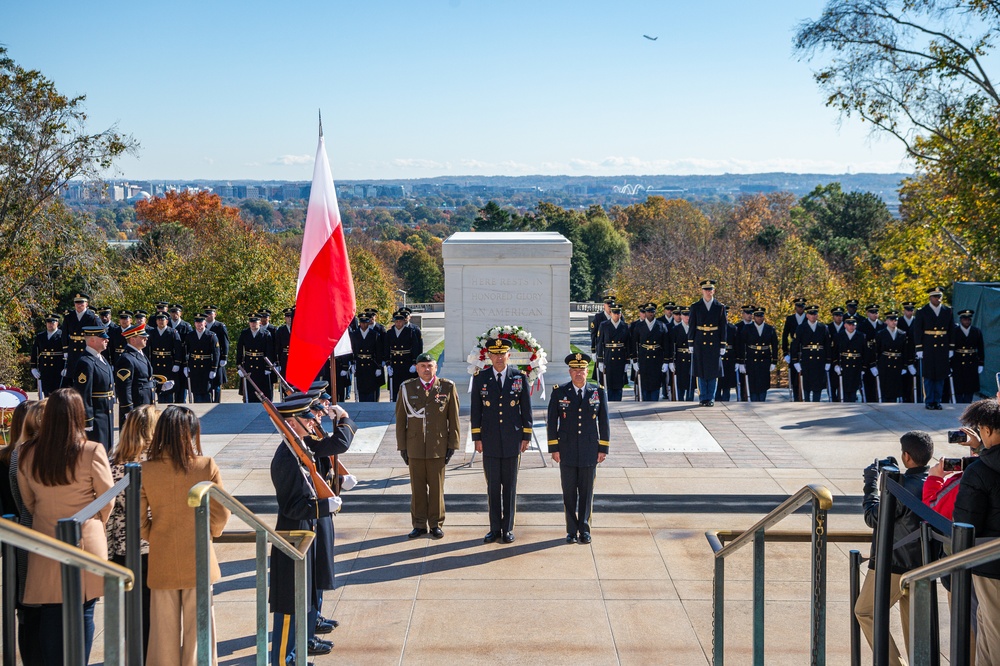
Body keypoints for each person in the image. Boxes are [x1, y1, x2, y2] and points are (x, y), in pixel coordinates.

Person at [17, 388, 114, 664]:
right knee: (83, 611)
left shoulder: (28, 453)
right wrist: (95, 526)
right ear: (78, 415)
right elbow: (107, 499)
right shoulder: (92, 450)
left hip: (46, 537)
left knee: (50, 611)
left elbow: (30, 501)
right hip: (86, 539)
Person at [141, 405, 229, 666]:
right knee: (200, 631)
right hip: (199, 557)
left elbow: (138, 520)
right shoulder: (205, 465)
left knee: (162, 634)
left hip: (162, 556)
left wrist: (154, 535)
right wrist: (210, 533)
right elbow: (222, 511)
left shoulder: (146, 469)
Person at [269, 396, 355, 664]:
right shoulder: (286, 457)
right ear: (291, 423)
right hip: (293, 536)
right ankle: (284, 658)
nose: (313, 421)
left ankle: (297, 651)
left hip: (307, 532)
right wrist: (323, 507)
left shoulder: (300, 447)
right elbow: (292, 507)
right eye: (306, 419)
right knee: (290, 603)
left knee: (304, 597)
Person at [855, 430, 933, 666]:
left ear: (906, 457)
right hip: (923, 563)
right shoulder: (932, 481)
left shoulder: (901, 487)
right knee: (914, 626)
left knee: (865, 611)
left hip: (893, 564)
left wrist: (870, 485)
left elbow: (873, 518)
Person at [107, 404, 159, 658]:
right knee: (152, 617)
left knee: (132, 615)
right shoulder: (156, 465)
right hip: (150, 549)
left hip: (120, 550)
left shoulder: (110, 462)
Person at [471, 338, 532, 544]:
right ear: (489, 356)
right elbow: (476, 411)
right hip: (489, 440)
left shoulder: (519, 377)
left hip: (512, 439)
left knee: (510, 486)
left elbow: (526, 410)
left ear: (509, 355)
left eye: (502, 353)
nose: (498, 357)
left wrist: (526, 436)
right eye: (494, 354)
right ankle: (494, 528)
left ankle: (508, 528)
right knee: (492, 487)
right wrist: (477, 438)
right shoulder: (481, 378)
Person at [953, 399, 1000, 665]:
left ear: (989, 430)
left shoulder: (979, 471)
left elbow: (965, 524)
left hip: (990, 563)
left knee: (992, 632)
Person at [547, 353, 609, 544]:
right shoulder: (559, 392)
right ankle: (571, 530)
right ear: (570, 372)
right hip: (566, 450)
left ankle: (585, 528)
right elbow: (551, 422)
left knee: (586, 492)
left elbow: (604, 421)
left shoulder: (597, 392)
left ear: (587, 371)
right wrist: (554, 448)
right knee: (569, 493)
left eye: (581, 370)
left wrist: (603, 448)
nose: (578, 374)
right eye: (575, 370)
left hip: (590, 449)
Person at [395, 353, 460, 539]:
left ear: (436, 367)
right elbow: (400, 420)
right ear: (416, 368)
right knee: (417, 488)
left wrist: (452, 445)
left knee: (437, 488)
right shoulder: (407, 388)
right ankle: (419, 524)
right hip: (414, 445)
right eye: (422, 366)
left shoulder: (447, 387)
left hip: (437, 446)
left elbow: (453, 419)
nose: (426, 369)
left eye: (429, 365)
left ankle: (436, 523)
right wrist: (403, 447)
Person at [7, 399, 46, 664]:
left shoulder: (16, 453)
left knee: (28, 609)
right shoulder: (22, 456)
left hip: (20, 533)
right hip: (29, 531)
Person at [71, 325, 115, 452]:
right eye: (103, 338)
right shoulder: (86, 362)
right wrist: (87, 420)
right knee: (97, 453)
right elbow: (83, 394)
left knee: (107, 450)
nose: (106, 340)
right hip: (96, 416)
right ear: (92, 340)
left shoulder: (101, 358)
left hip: (106, 413)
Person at [687, 279, 728, 406]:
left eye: (710, 290)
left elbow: (723, 327)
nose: (708, 292)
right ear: (702, 291)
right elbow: (692, 325)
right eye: (706, 290)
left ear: (714, 291)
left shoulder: (720, 307)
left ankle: (710, 398)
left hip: (714, 341)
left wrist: (722, 344)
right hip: (700, 341)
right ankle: (702, 397)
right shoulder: (695, 306)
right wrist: (691, 343)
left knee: (713, 371)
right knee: (700, 371)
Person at [914, 286, 953, 409]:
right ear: (930, 297)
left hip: (942, 347)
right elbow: (918, 331)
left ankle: (937, 400)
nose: (938, 299)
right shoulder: (922, 311)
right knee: (929, 375)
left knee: (940, 375)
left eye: (940, 296)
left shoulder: (947, 311)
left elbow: (951, 330)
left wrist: (951, 347)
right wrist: (919, 348)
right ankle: (929, 400)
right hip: (928, 346)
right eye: (936, 296)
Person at [115, 322, 157, 426]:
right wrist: (128, 410)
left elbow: (144, 379)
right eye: (142, 337)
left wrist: (159, 385)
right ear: (133, 339)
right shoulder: (127, 359)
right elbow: (124, 387)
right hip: (137, 406)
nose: (146, 339)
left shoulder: (140, 354)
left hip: (145, 405)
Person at [736, 306, 778, 402]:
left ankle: (762, 402)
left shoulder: (770, 329)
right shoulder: (747, 328)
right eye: (757, 316)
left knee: (763, 383)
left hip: (765, 359)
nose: (759, 318)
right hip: (751, 359)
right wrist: (741, 361)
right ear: (754, 317)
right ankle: (754, 403)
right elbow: (742, 345)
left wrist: (774, 361)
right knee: (752, 384)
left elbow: (774, 346)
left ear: (764, 317)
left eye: (761, 316)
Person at [630, 303, 670, 402]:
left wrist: (666, 361)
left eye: (652, 312)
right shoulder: (639, 326)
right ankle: (645, 402)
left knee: (656, 382)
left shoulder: (661, 325)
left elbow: (666, 345)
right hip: (644, 357)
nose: (650, 314)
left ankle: (654, 403)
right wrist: (634, 360)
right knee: (644, 382)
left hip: (657, 357)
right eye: (648, 312)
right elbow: (634, 343)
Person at [791, 305, 831, 402]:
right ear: (807, 316)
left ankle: (816, 403)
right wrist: (795, 361)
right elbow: (795, 345)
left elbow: (828, 345)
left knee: (818, 385)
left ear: (817, 315)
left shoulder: (823, 327)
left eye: (815, 314)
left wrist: (828, 361)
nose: (813, 316)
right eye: (811, 314)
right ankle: (806, 403)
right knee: (806, 385)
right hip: (806, 360)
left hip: (819, 360)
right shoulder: (801, 328)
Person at [61, 293, 101, 388]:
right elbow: (64, 334)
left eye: (81, 303)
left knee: (86, 372)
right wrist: (65, 350)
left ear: (86, 304)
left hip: (87, 348)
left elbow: (100, 332)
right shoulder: (69, 317)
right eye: (77, 303)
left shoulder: (92, 317)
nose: (79, 305)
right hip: (73, 349)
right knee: (73, 375)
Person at [237, 314, 276, 402]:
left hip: (261, 365)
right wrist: (239, 366)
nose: (253, 324)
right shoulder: (245, 333)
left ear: (260, 322)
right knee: (250, 391)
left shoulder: (265, 333)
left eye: (255, 322)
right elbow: (240, 350)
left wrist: (268, 367)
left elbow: (269, 351)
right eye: (251, 322)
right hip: (249, 364)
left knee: (263, 391)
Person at [385, 310, 423, 401]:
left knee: (408, 387)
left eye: (400, 321)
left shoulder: (410, 331)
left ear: (403, 321)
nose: (398, 323)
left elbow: (415, 347)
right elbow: (386, 348)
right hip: (395, 363)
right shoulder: (390, 333)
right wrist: (388, 364)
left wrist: (414, 363)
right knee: (395, 388)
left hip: (407, 362)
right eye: (396, 321)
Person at [833, 316, 871, 403]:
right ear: (845, 325)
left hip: (856, 365)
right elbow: (834, 352)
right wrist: (836, 365)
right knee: (844, 388)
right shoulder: (839, 336)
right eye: (849, 325)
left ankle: (852, 403)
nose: (851, 327)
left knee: (854, 388)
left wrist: (864, 367)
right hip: (844, 364)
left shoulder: (861, 336)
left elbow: (865, 353)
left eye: (853, 325)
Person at [148, 312, 185, 403]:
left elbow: (178, 349)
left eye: (163, 320)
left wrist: (177, 363)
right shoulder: (151, 333)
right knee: (158, 387)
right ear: (156, 321)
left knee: (169, 389)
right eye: (159, 320)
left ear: (167, 321)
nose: (161, 322)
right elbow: (147, 350)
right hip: (155, 363)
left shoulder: (172, 332)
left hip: (169, 364)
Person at [596, 304, 630, 401]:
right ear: (610, 313)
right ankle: (610, 402)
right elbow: (600, 343)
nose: (616, 315)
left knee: (619, 384)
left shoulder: (625, 326)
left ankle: (618, 402)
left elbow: (628, 344)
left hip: (620, 358)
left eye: (618, 313)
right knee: (609, 384)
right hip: (608, 356)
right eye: (614, 313)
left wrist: (627, 361)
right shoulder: (604, 325)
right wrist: (600, 360)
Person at [184, 314, 220, 403]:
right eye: (197, 323)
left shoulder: (211, 335)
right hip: (194, 365)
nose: (199, 325)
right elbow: (185, 351)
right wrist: (186, 365)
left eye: (201, 323)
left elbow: (216, 353)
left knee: (206, 390)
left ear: (205, 323)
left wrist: (214, 369)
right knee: (195, 389)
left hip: (206, 366)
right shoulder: (190, 335)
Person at [350, 311, 385, 402]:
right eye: (362, 322)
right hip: (360, 363)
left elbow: (378, 352)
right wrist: (353, 363)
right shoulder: (355, 334)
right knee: (361, 387)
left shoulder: (374, 334)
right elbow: (352, 350)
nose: (363, 325)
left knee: (371, 387)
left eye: (365, 323)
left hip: (371, 364)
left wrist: (379, 367)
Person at [874, 312, 909, 403]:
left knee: (895, 386)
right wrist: (874, 364)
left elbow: (905, 351)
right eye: (891, 320)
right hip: (885, 362)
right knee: (885, 385)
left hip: (897, 362)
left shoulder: (902, 333)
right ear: (886, 321)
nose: (894, 322)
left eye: (895, 320)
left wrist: (905, 366)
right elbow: (877, 350)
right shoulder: (881, 334)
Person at [951, 309, 985, 403]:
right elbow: (951, 348)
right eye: (965, 319)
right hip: (958, 360)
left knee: (970, 385)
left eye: (968, 319)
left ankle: (967, 403)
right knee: (958, 384)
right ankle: (958, 403)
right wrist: (950, 363)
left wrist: (981, 363)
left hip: (971, 360)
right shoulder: (955, 331)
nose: (967, 321)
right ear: (961, 320)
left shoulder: (976, 331)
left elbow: (981, 348)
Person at [30, 314, 63, 398]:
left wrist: (67, 368)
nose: (50, 325)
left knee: (57, 394)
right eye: (48, 322)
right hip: (44, 368)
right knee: (45, 393)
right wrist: (33, 367)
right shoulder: (40, 336)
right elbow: (35, 352)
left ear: (57, 323)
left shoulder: (62, 335)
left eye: (52, 323)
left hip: (58, 368)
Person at [782, 297, 807, 401]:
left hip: (806, 348)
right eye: (798, 306)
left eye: (802, 306)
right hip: (794, 348)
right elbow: (785, 336)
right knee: (794, 376)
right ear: (795, 307)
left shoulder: (808, 318)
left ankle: (805, 395)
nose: (800, 308)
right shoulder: (790, 319)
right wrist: (785, 352)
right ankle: (796, 396)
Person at [203, 306, 229, 403]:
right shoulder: (202, 325)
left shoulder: (220, 326)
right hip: (206, 359)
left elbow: (225, 342)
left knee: (217, 384)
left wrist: (224, 357)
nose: (208, 316)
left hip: (218, 359)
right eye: (207, 314)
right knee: (208, 382)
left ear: (215, 314)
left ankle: (217, 401)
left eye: (210, 314)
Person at [669, 308, 694, 401]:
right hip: (680, 358)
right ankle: (680, 400)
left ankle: (690, 399)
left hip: (691, 357)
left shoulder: (694, 328)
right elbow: (672, 346)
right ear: (682, 316)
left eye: (689, 315)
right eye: (685, 315)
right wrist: (671, 361)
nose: (687, 317)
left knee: (691, 382)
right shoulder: (676, 329)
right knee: (681, 381)